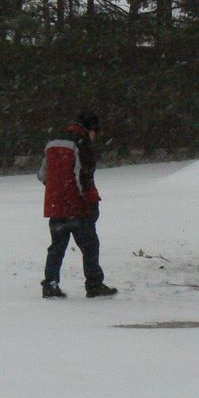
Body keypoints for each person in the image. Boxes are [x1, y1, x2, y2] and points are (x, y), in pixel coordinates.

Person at [37, 110, 118, 299]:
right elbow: (84, 177)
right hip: (77, 206)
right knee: (90, 245)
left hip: (56, 205)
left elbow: (42, 174)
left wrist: (56, 190)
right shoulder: (82, 143)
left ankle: (50, 284)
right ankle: (94, 284)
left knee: (57, 247)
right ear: (91, 129)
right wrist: (89, 201)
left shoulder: (52, 142)